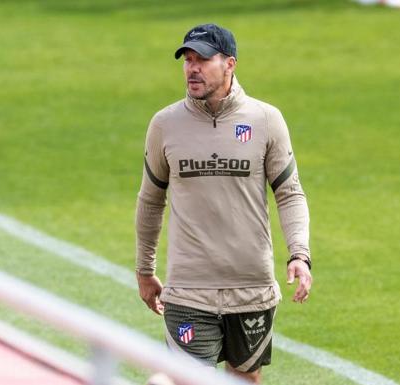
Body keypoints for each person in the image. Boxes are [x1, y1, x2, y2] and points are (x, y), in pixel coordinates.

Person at [135, 23, 312, 384]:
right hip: (188, 289)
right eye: (187, 59)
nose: (192, 68)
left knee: (244, 378)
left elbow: (290, 193)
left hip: (252, 288)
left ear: (230, 64)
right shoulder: (165, 124)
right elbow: (151, 201)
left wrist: (299, 253)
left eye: (202, 59)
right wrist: (144, 269)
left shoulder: (266, 120)